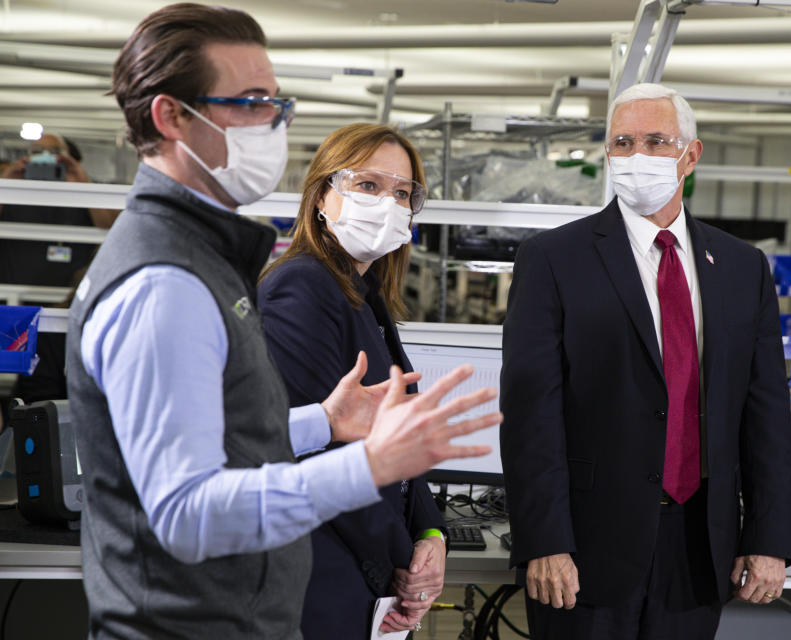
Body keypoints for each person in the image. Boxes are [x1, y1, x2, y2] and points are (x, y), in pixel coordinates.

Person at [65, 4, 500, 638]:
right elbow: (184, 513)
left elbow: (225, 445)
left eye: (275, 102)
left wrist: (324, 422)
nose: (272, 122)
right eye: (249, 101)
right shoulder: (165, 284)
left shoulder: (202, 263)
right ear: (170, 117)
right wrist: (370, 464)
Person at [499, 82, 791, 640]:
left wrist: (768, 539)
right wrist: (545, 541)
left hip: (700, 542)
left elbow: (765, 414)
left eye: (657, 141)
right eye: (623, 142)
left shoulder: (741, 267)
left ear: (691, 154)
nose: (638, 156)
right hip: (588, 545)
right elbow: (530, 415)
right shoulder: (553, 260)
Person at [259, 123, 444, 638]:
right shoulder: (301, 287)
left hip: (361, 565)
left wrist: (432, 533)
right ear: (322, 195)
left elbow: (394, 440)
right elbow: (319, 447)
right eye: (367, 185)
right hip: (323, 571)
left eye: (402, 192)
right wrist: (402, 562)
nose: (387, 202)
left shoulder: (364, 292)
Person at [0, 133, 119, 289]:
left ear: (69, 158)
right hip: (14, 295)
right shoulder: (14, 188)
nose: (46, 157)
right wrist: (6, 182)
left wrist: (83, 183)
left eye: (55, 152)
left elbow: (108, 224)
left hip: (66, 297)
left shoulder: (84, 188)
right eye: (37, 152)